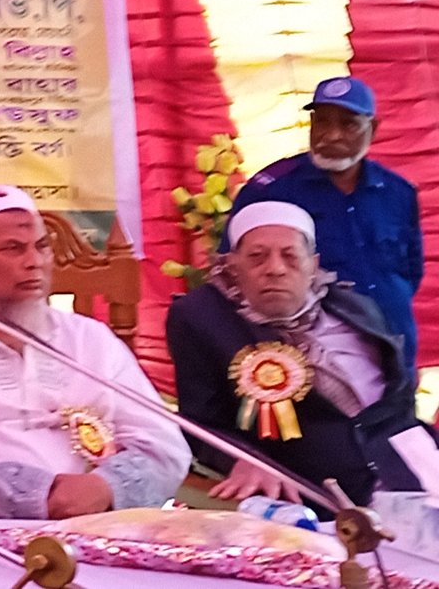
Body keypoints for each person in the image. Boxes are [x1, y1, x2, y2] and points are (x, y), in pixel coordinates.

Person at [0, 185, 189, 519]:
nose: (33, 262)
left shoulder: (91, 339)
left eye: (42, 247)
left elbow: (165, 447)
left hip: (99, 523)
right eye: (13, 249)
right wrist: (43, 495)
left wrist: (107, 487)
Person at [167, 200, 433, 506]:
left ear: (313, 265)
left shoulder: (355, 306)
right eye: (257, 257)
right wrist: (243, 460)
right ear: (233, 265)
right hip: (318, 499)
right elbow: (199, 423)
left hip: (411, 469)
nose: (275, 269)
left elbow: (399, 398)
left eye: (290, 256)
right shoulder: (203, 317)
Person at [226, 76, 423, 372]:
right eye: (322, 122)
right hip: (312, 364)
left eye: (348, 124)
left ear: (373, 129)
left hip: (395, 349)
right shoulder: (271, 189)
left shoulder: (397, 192)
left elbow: (410, 271)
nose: (332, 135)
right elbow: (233, 272)